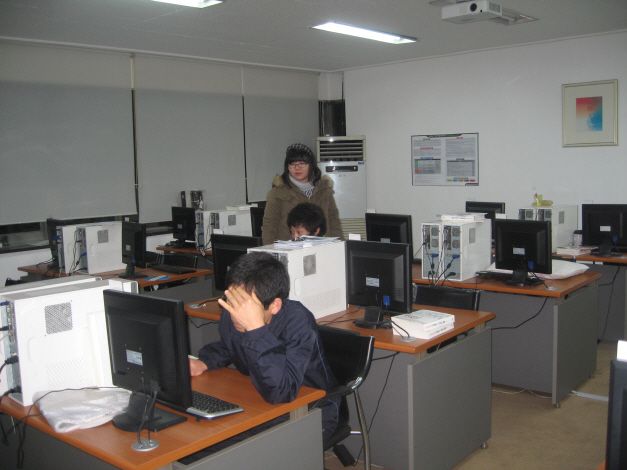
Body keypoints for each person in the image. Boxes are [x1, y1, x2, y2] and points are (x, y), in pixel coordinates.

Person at [189, 251, 340, 443]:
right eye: (231, 300)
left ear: (275, 305)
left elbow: (282, 391)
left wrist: (256, 330)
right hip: (261, 398)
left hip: (312, 409)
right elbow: (230, 345)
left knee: (226, 445)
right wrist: (205, 361)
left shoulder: (298, 321)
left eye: (245, 305)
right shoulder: (232, 311)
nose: (235, 313)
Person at [261, 143, 342, 244]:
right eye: (292, 164)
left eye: (302, 163)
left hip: (323, 247)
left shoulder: (324, 189)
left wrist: (341, 247)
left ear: (311, 165)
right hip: (290, 249)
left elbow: (334, 222)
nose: (297, 168)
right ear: (287, 167)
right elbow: (269, 227)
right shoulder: (277, 193)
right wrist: (270, 251)